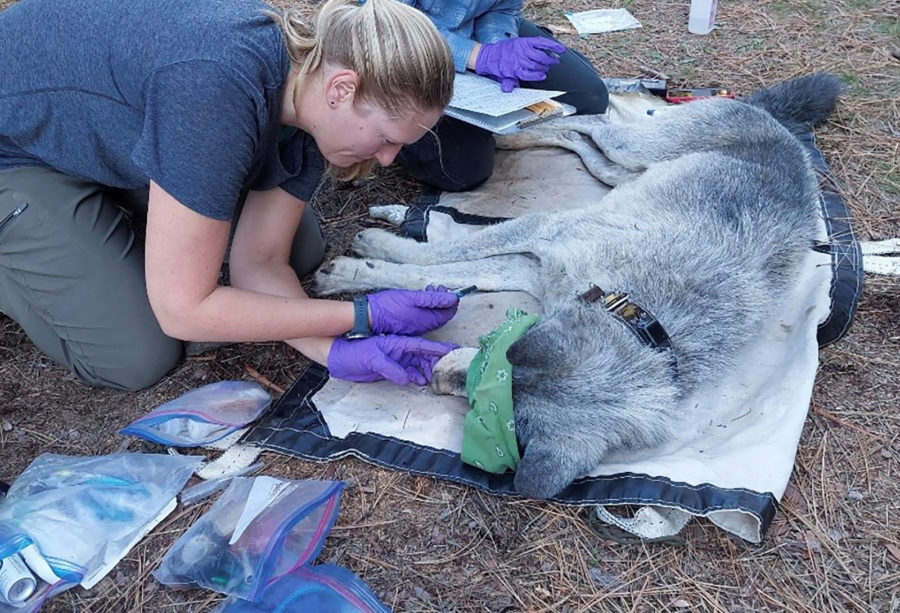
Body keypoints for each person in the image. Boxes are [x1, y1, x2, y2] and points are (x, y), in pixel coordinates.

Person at [0, 0, 461, 391]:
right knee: (135, 355)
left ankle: (107, 233)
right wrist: (362, 315)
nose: (386, 159)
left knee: (300, 247)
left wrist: (333, 350)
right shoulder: (215, 89)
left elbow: (258, 263)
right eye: (385, 138)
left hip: (94, 131)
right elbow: (183, 313)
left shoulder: (309, 88)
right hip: (17, 151)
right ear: (343, 88)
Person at [394, 0, 610, 192]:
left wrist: (500, 44)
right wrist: (478, 56)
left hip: (472, 33)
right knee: (461, 171)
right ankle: (393, 135)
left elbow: (502, 7)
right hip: (403, 51)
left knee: (589, 97)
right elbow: (391, 24)